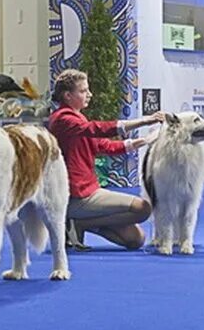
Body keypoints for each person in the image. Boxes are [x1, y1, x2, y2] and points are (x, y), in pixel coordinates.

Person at [47, 69, 161, 251]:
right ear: (68, 95)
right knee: (143, 208)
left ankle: (84, 222)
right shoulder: (63, 120)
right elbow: (97, 129)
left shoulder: (77, 118)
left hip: (90, 191)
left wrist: (144, 141)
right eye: (83, 91)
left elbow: (104, 146)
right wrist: (144, 121)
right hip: (77, 195)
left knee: (136, 240)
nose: (89, 95)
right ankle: (78, 223)